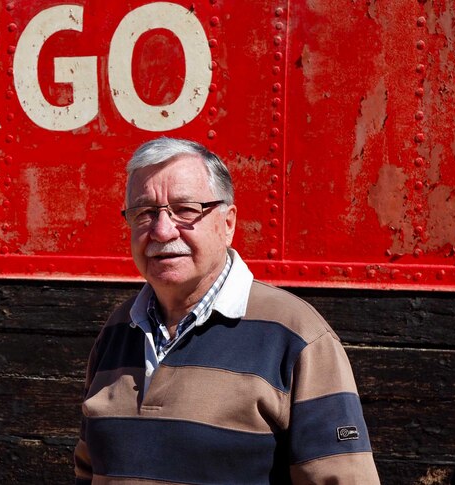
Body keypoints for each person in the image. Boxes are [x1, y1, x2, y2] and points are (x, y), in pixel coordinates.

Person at [74, 137, 379, 484]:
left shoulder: (296, 336)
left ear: (228, 223)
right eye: (144, 213)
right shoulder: (117, 331)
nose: (161, 230)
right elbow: (89, 470)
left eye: (186, 209)